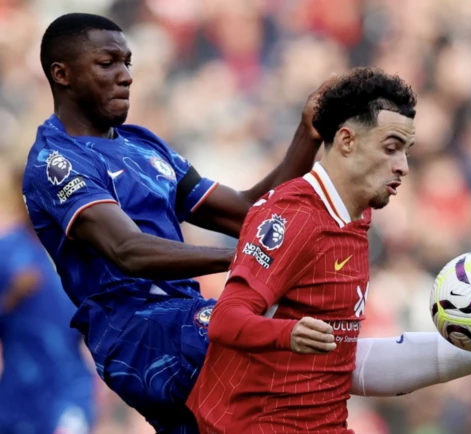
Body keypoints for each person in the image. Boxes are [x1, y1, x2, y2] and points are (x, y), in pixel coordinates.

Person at [187, 67, 471, 433]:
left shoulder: (355, 217)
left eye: (406, 151)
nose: (403, 166)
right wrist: (287, 333)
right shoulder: (293, 216)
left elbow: (344, 363)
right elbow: (226, 319)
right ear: (346, 141)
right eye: (391, 148)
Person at [21, 12, 334, 433]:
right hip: (137, 331)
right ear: (62, 74)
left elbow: (246, 211)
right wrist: (244, 257)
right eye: (107, 62)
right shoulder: (55, 161)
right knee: (300, 352)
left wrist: (307, 135)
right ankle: (450, 357)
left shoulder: (145, 145)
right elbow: (127, 250)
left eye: (127, 62)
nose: (126, 75)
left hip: (185, 319)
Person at [0, 166, 95, 434]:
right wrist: (11, 297)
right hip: (19, 393)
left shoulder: (78, 250)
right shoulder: (6, 251)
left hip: (70, 389)